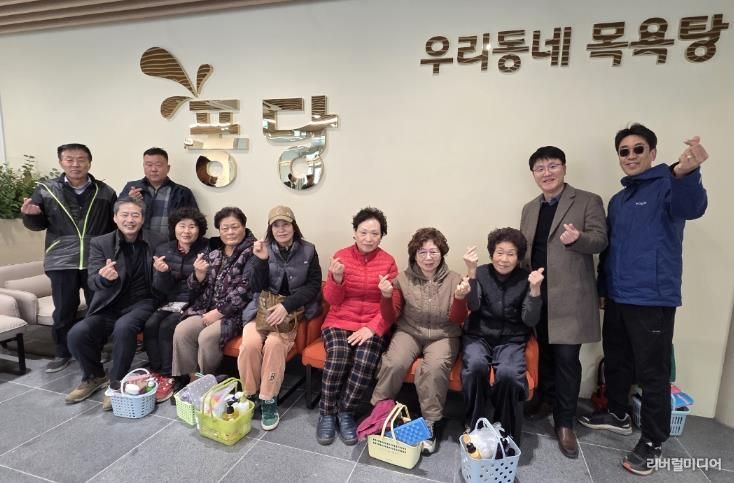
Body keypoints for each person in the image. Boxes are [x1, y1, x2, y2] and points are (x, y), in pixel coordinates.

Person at [578, 124, 709, 476]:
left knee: (653, 373)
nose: (631, 156)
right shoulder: (619, 201)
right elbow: (610, 249)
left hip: (653, 298)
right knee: (617, 359)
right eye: (624, 151)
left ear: (653, 152)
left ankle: (652, 440)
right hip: (618, 296)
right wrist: (603, 288)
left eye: (639, 149)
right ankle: (618, 414)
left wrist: (687, 173)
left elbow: (693, 207)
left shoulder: (669, 185)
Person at [519, 146, 608, 458]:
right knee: (543, 353)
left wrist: (579, 239)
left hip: (570, 297)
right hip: (538, 295)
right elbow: (525, 251)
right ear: (533, 174)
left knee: (567, 359)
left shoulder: (587, 200)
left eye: (553, 165)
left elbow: (601, 240)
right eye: (540, 168)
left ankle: (565, 422)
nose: (547, 173)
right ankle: (545, 400)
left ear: (564, 168)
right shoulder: (530, 208)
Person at [370, 227, 470, 453]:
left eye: (433, 252)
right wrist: (386, 296)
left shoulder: (455, 279)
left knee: (434, 368)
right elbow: (390, 316)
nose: (428, 257)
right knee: (394, 362)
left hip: (444, 334)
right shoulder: (402, 279)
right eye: (422, 252)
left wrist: (460, 298)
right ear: (414, 255)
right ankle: (380, 414)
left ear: (442, 253)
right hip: (410, 331)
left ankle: (429, 423)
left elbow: (459, 318)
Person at [21, 143, 117, 373]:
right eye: (69, 159)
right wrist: (30, 217)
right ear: (61, 162)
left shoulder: (105, 191)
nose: (76, 164)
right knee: (64, 309)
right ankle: (62, 352)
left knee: (97, 307)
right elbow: (38, 224)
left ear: (89, 162)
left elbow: (114, 225)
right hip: (60, 260)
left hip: (95, 259)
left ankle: (95, 348)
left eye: (81, 159)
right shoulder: (46, 189)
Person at [65, 199, 166, 409]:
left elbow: (165, 279)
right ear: (115, 218)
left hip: (144, 302)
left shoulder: (158, 240)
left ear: (143, 219)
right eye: (124, 215)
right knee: (77, 333)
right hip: (110, 304)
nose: (130, 220)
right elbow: (93, 281)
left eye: (135, 215)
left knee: (124, 327)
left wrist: (162, 272)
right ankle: (94, 376)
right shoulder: (101, 243)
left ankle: (116, 383)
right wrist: (104, 279)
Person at [317, 207, 398, 446]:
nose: (368, 238)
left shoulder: (388, 262)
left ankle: (346, 412)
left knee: (365, 359)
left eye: (375, 233)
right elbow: (332, 300)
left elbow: (392, 309)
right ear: (354, 232)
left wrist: (372, 327)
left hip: (371, 323)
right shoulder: (341, 256)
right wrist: (337, 279)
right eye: (363, 232)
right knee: (339, 353)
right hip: (339, 320)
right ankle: (326, 412)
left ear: (381, 236)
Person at [238, 206, 323, 431]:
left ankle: (268, 399)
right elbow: (255, 286)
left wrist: (286, 306)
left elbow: (314, 285)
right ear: (270, 229)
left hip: (290, 311)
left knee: (275, 344)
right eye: (276, 225)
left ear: (294, 226)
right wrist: (261, 261)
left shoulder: (308, 250)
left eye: (285, 224)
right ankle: (250, 394)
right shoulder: (262, 248)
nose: (281, 229)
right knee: (249, 344)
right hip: (261, 309)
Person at [461, 228, 544, 441]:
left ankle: (503, 426)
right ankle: (474, 422)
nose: (504, 259)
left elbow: (530, 320)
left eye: (510, 254)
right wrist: (471, 273)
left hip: (511, 340)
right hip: (478, 335)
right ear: (492, 253)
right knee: (475, 367)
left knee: (509, 374)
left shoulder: (526, 278)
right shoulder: (480, 273)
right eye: (499, 252)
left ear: (518, 257)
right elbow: (473, 306)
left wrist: (535, 290)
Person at [171, 207, 265, 381]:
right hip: (206, 309)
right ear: (219, 230)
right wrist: (198, 275)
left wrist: (219, 312)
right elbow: (193, 288)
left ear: (244, 227)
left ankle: (207, 380)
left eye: (234, 227)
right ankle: (192, 379)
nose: (230, 232)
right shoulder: (214, 252)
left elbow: (247, 290)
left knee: (207, 337)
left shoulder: (253, 252)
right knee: (182, 330)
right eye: (224, 228)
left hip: (235, 314)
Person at [144, 207, 209, 403]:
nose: (186, 231)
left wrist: (199, 275)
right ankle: (157, 371)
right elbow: (160, 288)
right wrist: (162, 273)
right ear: (174, 228)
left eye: (192, 226)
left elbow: (210, 285)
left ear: (199, 229)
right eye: (182, 226)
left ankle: (170, 376)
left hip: (196, 301)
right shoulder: (164, 249)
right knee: (150, 325)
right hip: (170, 300)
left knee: (167, 326)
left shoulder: (207, 248)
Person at [120, 147, 198, 237]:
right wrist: (128, 200)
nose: (153, 169)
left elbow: (194, 221)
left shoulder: (182, 192)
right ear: (144, 167)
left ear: (168, 168)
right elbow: (117, 214)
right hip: (137, 242)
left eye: (158, 165)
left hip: (170, 243)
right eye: (149, 165)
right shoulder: (132, 188)